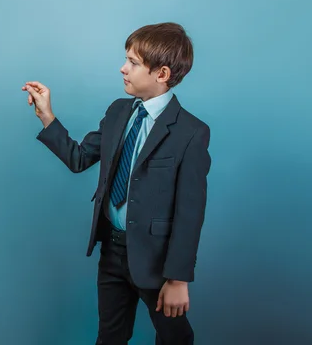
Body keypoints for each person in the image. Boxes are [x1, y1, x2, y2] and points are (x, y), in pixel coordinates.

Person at [22, 22, 211, 345]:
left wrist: (178, 278)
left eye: (133, 63)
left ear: (161, 74)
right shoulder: (119, 111)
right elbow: (79, 158)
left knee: (175, 337)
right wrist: (47, 117)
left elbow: (189, 213)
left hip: (157, 261)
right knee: (110, 336)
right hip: (112, 251)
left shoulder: (191, 132)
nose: (123, 68)